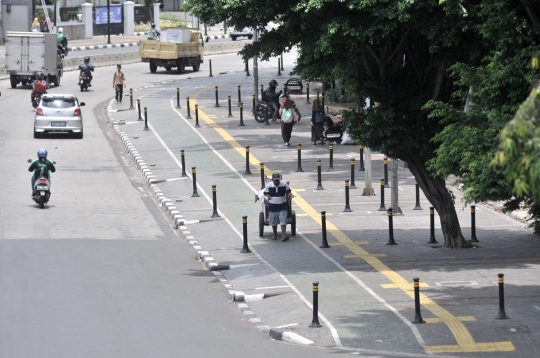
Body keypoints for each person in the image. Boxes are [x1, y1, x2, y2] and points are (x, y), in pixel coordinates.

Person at [263, 173, 291, 242]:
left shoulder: (284, 185)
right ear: (272, 180)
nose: (276, 182)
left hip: (282, 205)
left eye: (278, 180)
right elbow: (265, 192)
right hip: (273, 206)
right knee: (273, 222)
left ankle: (283, 235)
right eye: (275, 180)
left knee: (283, 220)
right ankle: (275, 235)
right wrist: (268, 195)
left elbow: (288, 191)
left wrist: (287, 195)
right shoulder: (269, 186)